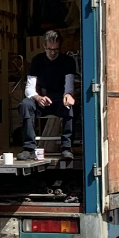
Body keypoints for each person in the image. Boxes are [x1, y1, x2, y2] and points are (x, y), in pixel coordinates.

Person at [20, 29, 76, 163]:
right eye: (49, 49)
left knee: (70, 107)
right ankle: (29, 148)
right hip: (41, 98)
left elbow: (69, 84)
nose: (52, 53)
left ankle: (66, 147)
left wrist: (68, 94)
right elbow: (29, 88)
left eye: (56, 49)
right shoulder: (37, 60)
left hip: (59, 98)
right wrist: (38, 98)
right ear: (44, 46)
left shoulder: (67, 61)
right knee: (25, 105)